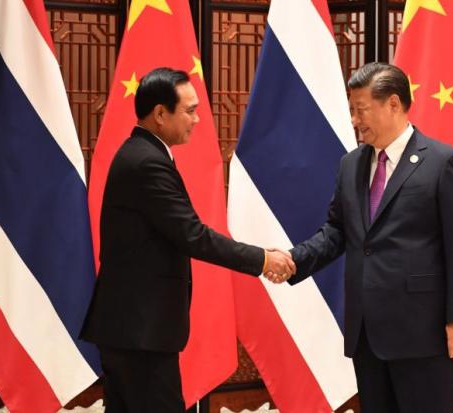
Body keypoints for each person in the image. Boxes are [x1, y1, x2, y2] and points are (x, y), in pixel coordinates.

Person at [81, 67, 295, 413]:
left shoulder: (141, 153)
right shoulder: (147, 163)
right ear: (161, 114)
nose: (197, 119)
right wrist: (263, 259)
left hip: (131, 328)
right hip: (140, 331)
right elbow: (193, 236)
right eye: (190, 110)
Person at [283, 62, 453, 413]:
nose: (355, 120)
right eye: (352, 111)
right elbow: (337, 231)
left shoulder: (443, 163)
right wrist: (293, 260)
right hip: (367, 333)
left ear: (393, 103)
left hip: (424, 332)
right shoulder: (351, 164)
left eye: (361, 110)